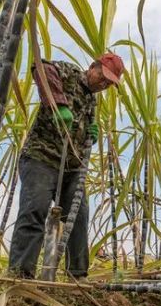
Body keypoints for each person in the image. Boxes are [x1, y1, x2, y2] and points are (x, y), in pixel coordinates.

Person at [8, 52, 125, 280]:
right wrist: (58, 105)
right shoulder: (69, 73)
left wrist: (90, 135)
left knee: (78, 216)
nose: (104, 84)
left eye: (110, 83)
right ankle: (20, 275)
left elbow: (77, 130)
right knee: (35, 210)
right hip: (41, 158)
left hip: (71, 169)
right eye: (103, 77)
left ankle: (77, 276)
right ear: (93, 67)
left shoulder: (92, 100)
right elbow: (41, 67)